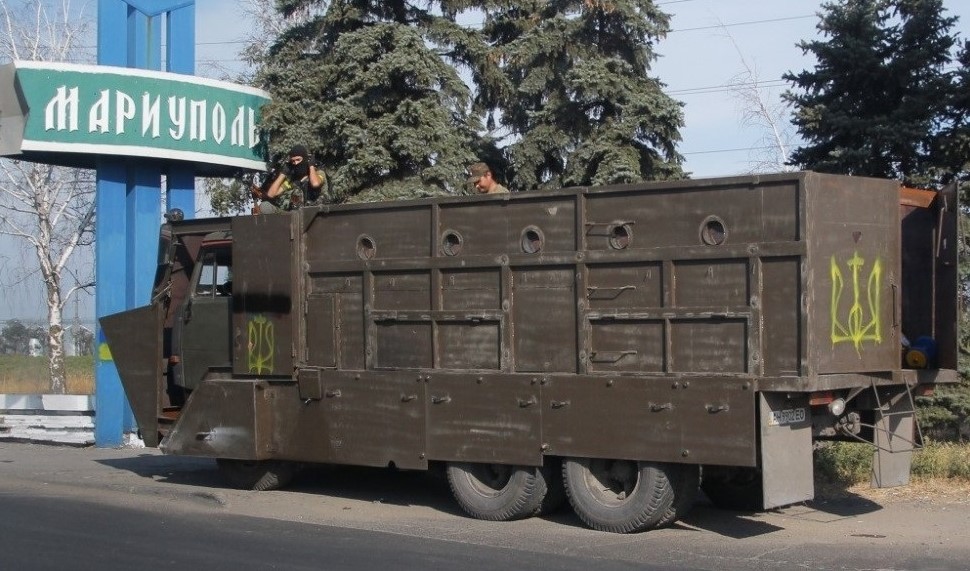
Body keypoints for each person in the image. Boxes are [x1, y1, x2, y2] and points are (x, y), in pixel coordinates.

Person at [254, 145, 326, 213]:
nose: (296, 163)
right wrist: (283, 173)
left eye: (298, 160)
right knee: (265, 206)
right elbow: (271, 194)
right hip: (294, 215)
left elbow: (315, 184)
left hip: (315, 212)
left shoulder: (318, 173)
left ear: (305, 159)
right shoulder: (292, 180)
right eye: (293, 161)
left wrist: (311, 166)